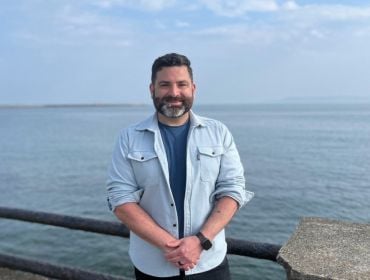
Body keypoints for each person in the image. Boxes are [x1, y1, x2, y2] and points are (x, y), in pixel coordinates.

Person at [106, 53, 254, 280]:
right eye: (165, 85)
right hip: (154, 266)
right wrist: (171, 246)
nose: (174, 93)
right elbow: (120, 199)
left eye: (181, 84)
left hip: (209, 263)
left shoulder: (218, 132)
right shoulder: (129, 138)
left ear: (193, 88)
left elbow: (232, 190)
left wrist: (200, 241)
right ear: (152, 89)